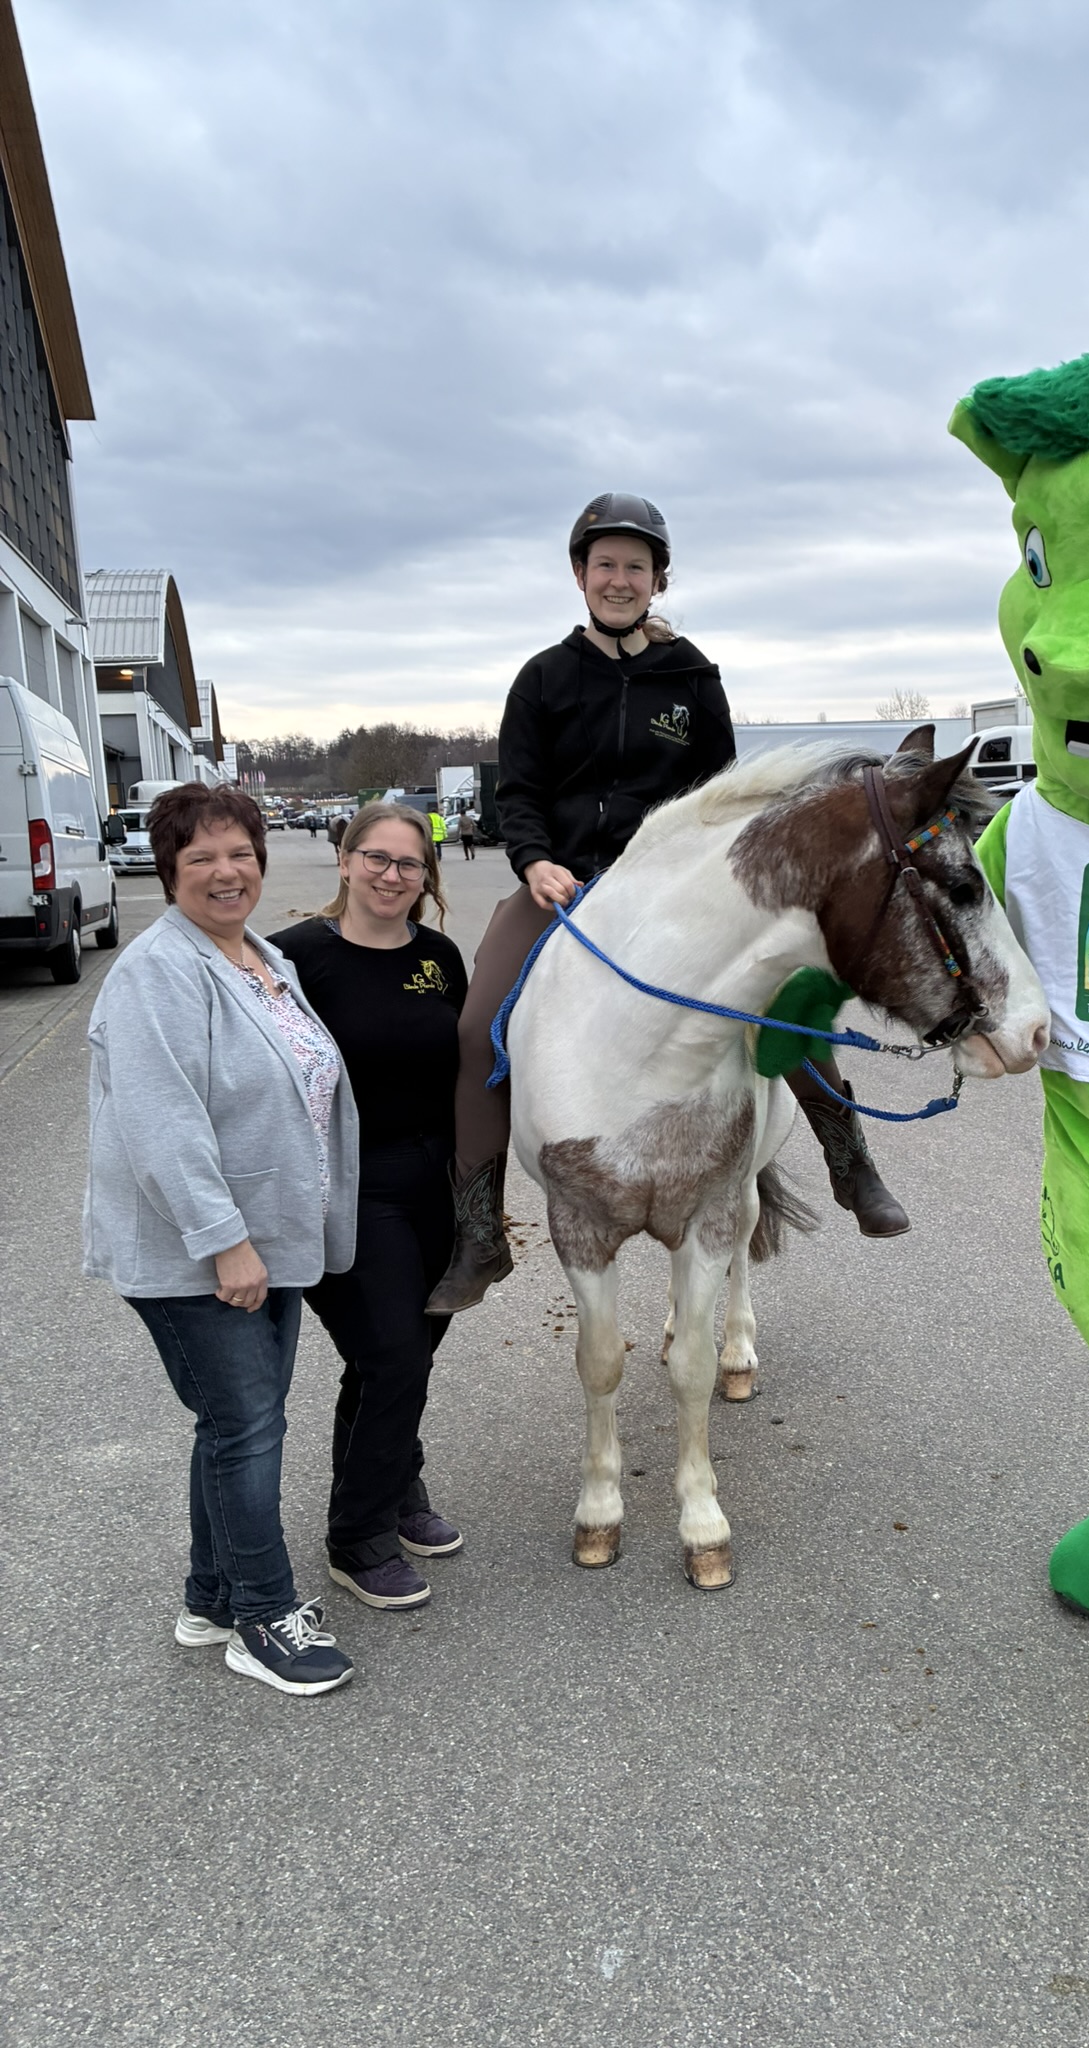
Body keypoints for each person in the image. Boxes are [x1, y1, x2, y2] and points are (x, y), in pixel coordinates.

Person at [427, 492, 910, 1316]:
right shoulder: (542, 679)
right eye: (606, 565)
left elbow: (724, 795)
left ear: (659, 580)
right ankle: (479, 1231)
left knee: (785, 1003)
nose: (620, 580)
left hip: (676, 890)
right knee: (478, 1028)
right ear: (580, 574)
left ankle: (849, 1160)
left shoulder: (692, 676)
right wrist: (535, 860)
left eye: (636, 568)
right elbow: (521, 794)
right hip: (568, 887)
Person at [82, 784, 359, 1697]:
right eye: (200, 858)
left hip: (265, 1240)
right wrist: (223, 1240)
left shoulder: (262, 959)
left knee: (236, 1424)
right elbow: (164, 1124)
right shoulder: (158, 972)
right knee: (247, 1428)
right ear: (168, 872)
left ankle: (209, 1598)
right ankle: (263, 1617)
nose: (224, 872)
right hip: (200, 1252)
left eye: (238, 852)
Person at [270, 804, 468, 1611]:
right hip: (347, 1183)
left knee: (404, 1348)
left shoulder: (440, 957)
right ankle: (358, 1537)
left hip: (439, 1181)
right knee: (392, 1354)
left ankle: (395, 1479)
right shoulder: (291, 959)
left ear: (428, 877)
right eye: (377, 859)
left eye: (410, 864)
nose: (393, 876)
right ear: (345, 861)